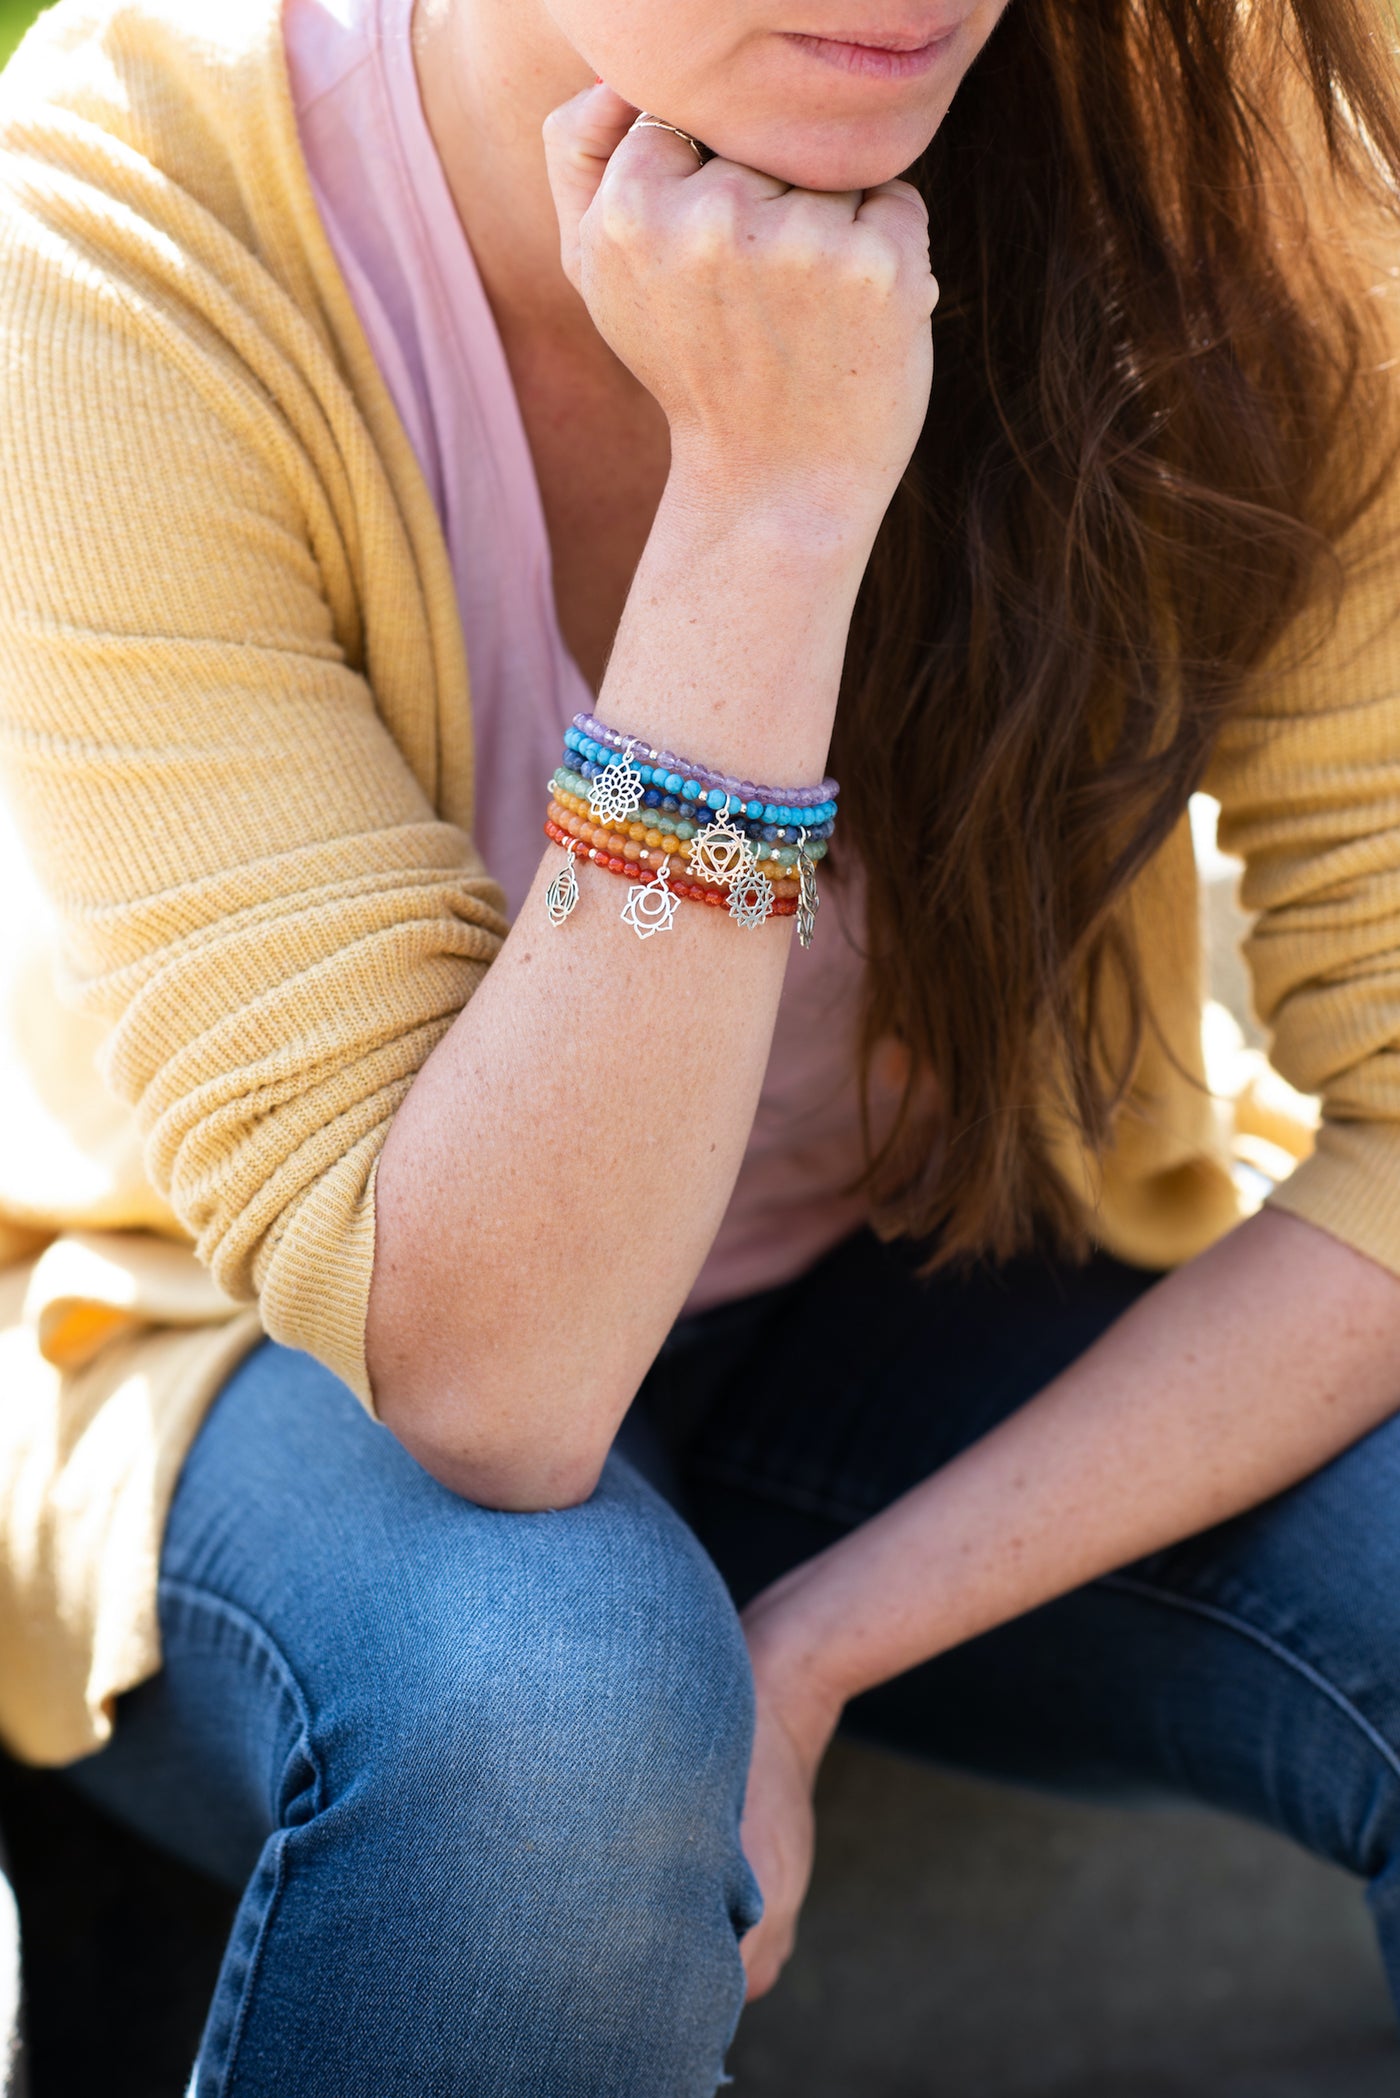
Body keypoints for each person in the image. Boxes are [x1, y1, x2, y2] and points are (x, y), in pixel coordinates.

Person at [3, 0, 1400, 2087]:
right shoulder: (123, 222)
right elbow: (496, 1381)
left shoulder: (1222, 132)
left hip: (906, 1264)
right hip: (269, 1347)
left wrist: (824, 1638)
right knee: (550, 1717)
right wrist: (766, 501)